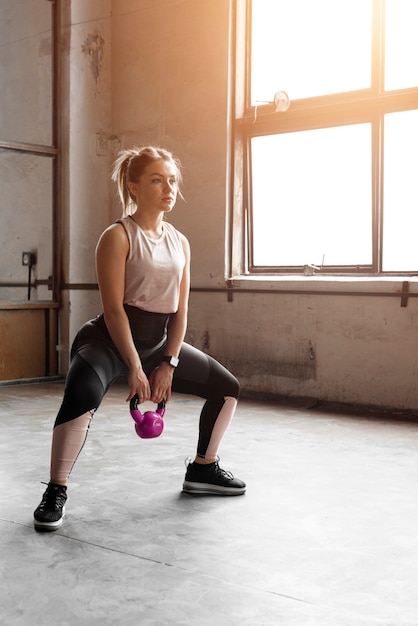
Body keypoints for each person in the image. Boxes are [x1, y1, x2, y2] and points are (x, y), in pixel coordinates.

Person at [33, 145, 246, 532]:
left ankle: (204, 469)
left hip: (157, 344)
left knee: (227, 388)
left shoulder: (180, 242)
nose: (169, 188)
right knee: (82, 392)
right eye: (157, 180)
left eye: (172, 180)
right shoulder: (117, 237)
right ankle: (55, 489)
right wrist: (134, 367)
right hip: (106, 342)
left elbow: (180, 312)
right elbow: (114, 310)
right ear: (134, 187)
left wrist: (169, 362)